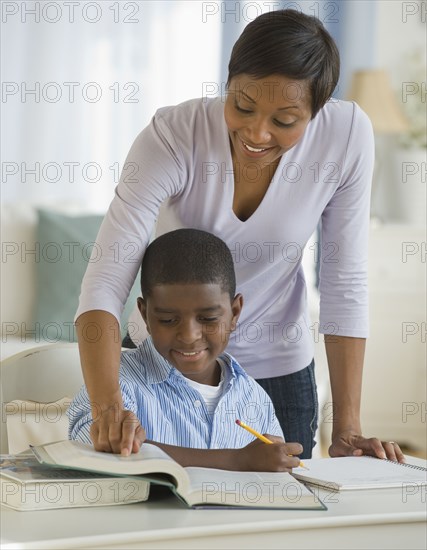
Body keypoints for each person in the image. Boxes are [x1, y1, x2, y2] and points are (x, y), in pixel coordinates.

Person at [75, 9, 404, 462]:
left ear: (317, 111)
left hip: (278, 369)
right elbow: (105, 284)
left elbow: (345, 281)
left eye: (285, 120)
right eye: (243, 106)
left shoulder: (346, 138)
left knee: (275, 523)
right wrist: (108, 405)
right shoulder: (174, 137)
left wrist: (347, 428)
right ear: (227, 83)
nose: (256, 132)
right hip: (165, 366)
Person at [69, 229, 301, 471]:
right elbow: (90, 454)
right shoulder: (113, 386)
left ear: (235, 313)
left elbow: (276, 470)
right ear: (144, 314)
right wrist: (237, 461)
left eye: (209, 318)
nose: (189, 336)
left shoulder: (254, 397)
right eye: (168, 320)